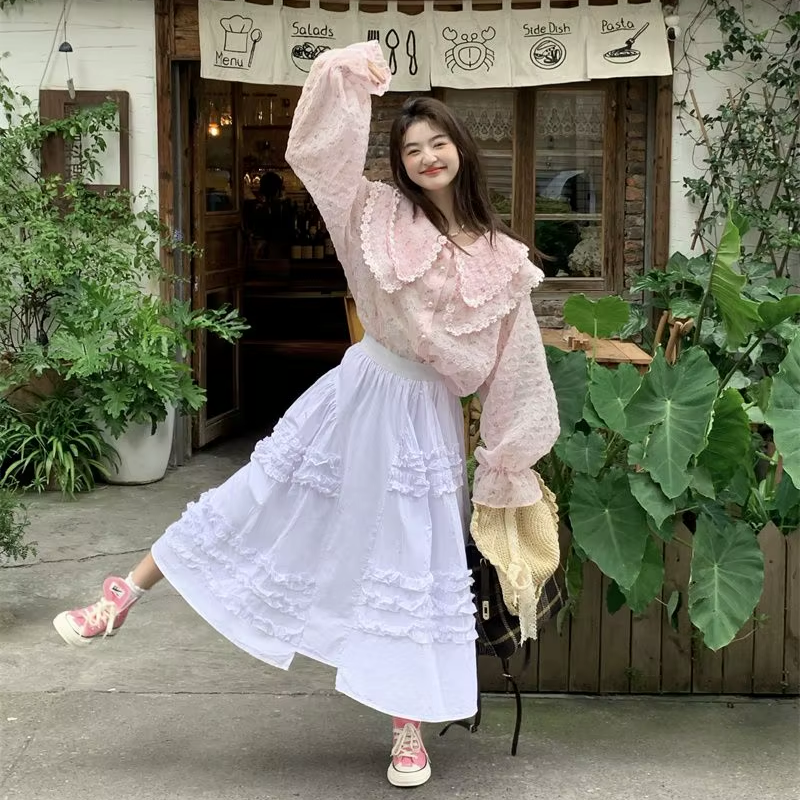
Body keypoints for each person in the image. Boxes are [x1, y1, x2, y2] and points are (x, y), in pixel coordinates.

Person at [52, 41, 559, 789]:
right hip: (360, 393)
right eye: (411, 147)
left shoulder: (502, 259)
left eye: (437, 142)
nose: (426, 157)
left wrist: (506, 465)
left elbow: (518, 369)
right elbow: (319, 158)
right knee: (261, 494)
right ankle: (121, 595)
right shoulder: (376, 214)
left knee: (414, 562)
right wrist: (341, 76)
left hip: (429, 417)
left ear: (461, 149)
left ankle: (407, 730)